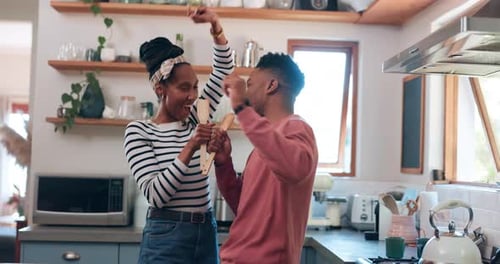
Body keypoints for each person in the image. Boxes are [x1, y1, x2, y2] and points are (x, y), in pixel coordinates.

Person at [123, 7, 233, 264]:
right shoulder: (139, 132)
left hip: (206, 231)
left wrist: (215, 24)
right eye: (184, 88)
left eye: (195, 86)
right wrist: (191, 146)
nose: (193, 95)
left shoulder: (196, 116)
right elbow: (156, 195)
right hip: (166, 236)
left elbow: (224, 69)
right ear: (161, 89)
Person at [212, 53, 319, 264]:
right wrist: (224, 163)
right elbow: (244, 207)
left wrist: (241, 107)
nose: (247, 90)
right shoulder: (265, 143)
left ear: (271, 85)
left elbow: (294, 167)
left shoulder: (297, 128)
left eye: (250, 84)